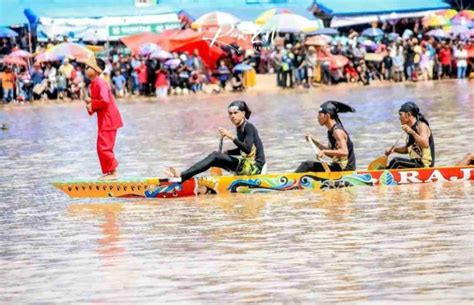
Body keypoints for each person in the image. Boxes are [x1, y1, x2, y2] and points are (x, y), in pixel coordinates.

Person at [165, 100, 266, 182]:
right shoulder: (240, 128)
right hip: (247, 165)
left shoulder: (249, 127)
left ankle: (182, 175)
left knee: (215, 156)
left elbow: (248, 149)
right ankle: (185, 177)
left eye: (235, 113)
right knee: (215, 158)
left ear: (243, 114)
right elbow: (243, 150)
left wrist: (231, 137)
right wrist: (227, 153)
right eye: (230, 113)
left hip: (255, 168)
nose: (232, 116)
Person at [84, 56, 124, 180]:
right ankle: (110, 172)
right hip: (105, 119)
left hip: (109, 119)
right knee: (101, 145)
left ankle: (113, 173)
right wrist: (91, 104)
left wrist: (92, 104)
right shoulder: (94, 83)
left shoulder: (99, 82)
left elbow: (105, 101)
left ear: (96, 70)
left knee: (103, 146)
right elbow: (100, 102)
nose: (85, 69)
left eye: (88, 67)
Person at [295, 101, 356, 173]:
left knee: (306, 165)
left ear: (327, 116)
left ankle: (289, 182)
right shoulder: (331, 131)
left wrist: (323, 151)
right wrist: (313, 141)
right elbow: (333, 155)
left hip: (345, 169)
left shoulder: (338, 132)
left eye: (319, 115)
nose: (317, 117)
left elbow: (344, 152)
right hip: (338, 166)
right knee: (310, 167)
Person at [385, 102, 435, 169]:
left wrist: (412, 132)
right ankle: (383, 172)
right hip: (415, 163)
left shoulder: (421, 126)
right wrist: (394, 150)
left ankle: (382, 176)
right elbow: (407, 149)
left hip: (425, 165)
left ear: (408, 114)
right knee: (395, 164)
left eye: (400, 115)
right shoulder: (410, 129)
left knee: (396, 161)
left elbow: (425, 144)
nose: (399, 118)